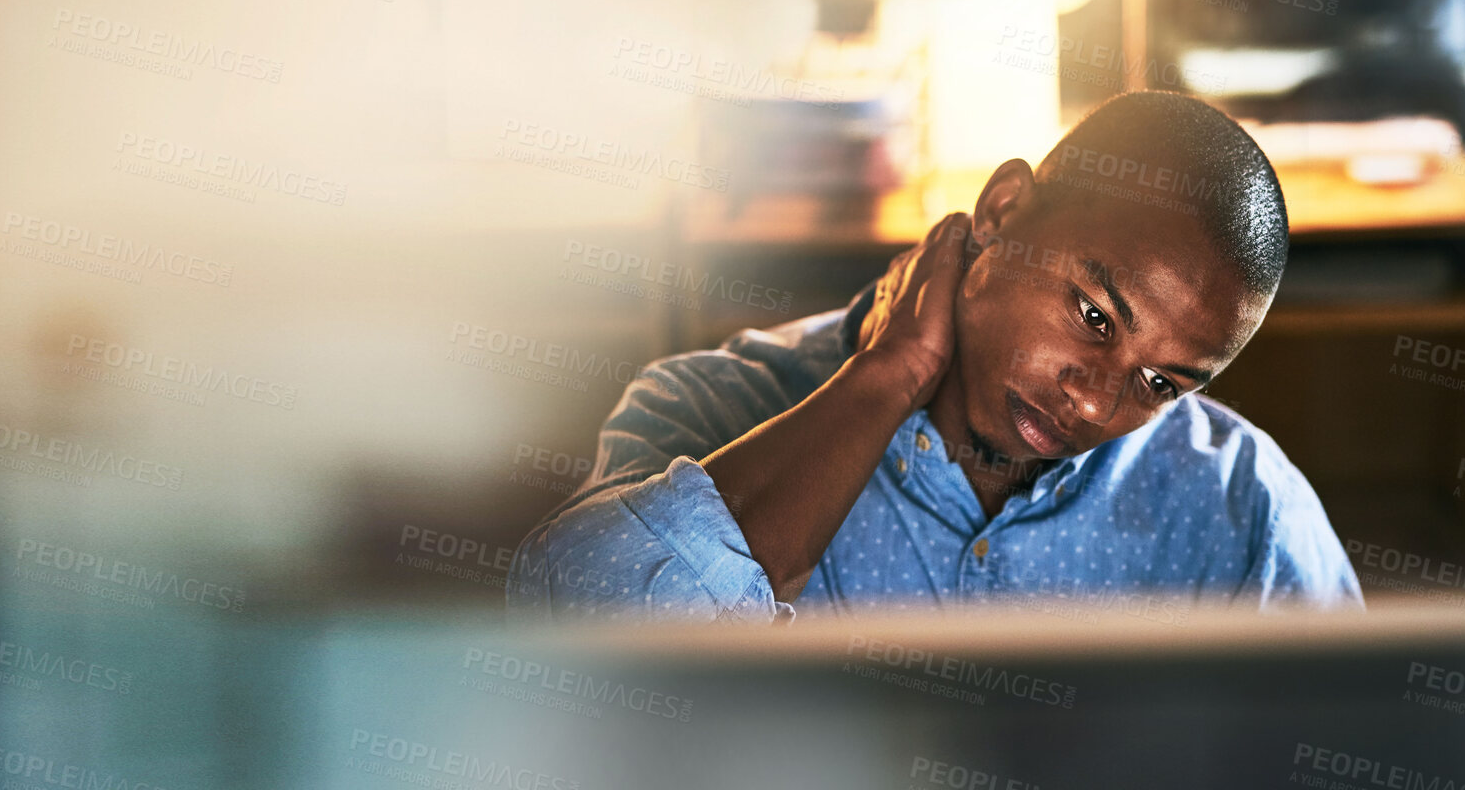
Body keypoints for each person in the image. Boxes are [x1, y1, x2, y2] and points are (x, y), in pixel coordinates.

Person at [507, 92, 1363, 623]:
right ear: (1001, 209)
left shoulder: (1246, 510)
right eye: (1094, 315)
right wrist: (885, 379)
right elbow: (582, 638)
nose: (1099, 405)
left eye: (1160, 382)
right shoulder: (708, 409)